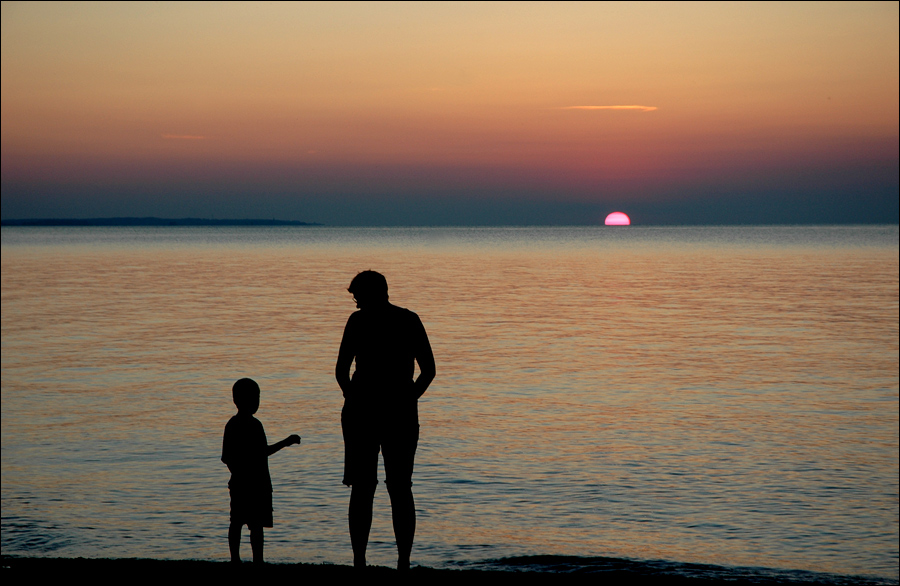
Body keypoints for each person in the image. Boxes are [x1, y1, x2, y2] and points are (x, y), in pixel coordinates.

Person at [335, 270, 435, 571]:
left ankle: (360, 561)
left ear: (370, 293)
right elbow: (428, 371)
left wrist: (352, 396)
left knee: (365, 488)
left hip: (365, 410)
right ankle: (402, 562)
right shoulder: (409, 319)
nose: (355, 303)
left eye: (358, 296)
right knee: (400, 487)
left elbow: (341, 370)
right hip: (397, 412)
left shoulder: (359, 322)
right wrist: (408, 398)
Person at [222, 377, 301, 565]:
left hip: (248, 483)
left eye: (258, 397)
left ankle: (245, 559)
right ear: (238, 400)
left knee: (244, 523)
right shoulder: (250, 425)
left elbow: (228, 457)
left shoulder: (238, 425)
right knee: (249, 524)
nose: (256, 401)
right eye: (254, 397)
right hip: (253, 483)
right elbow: (261, 453)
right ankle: (249, 559)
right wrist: (285, 442)